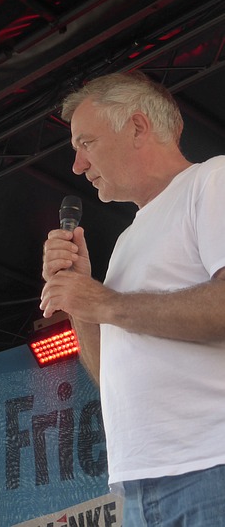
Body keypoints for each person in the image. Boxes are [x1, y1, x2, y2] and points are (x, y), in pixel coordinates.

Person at [40, 71, 225, 526]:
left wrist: (103, 302)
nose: (77, 165)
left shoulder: (212, 180)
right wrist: (82, 303)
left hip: (211, 464)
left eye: (86, 142)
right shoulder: (126, 241)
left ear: (138, 127)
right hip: (140, 483)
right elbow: (107, 372)